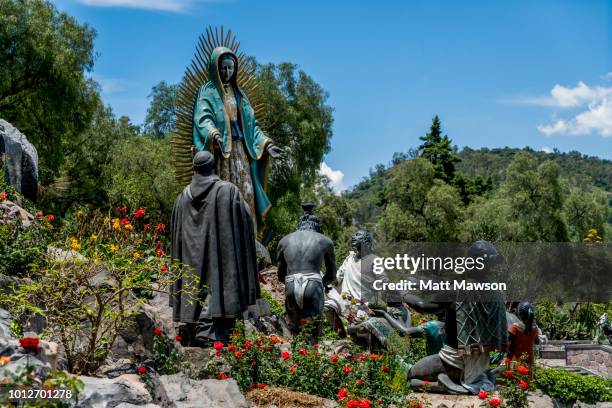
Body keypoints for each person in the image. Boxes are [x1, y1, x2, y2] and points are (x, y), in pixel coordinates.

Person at [169, 151, 260, 345]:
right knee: (217, 281)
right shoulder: (227, 191)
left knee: (196, 279)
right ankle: (212, 331)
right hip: (220, 258)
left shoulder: (181, 199)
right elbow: (246, 220)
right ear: (213, 167)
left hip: (191, 259)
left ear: (195, 168)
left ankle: (195, 326)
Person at [192, 47, 284, 232]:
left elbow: (252, 127)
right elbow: (202, 118)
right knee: (224, 196)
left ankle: (247, 237)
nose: (227, 72)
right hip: (221, 154)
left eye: (230, 68)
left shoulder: (240, 95)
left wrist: (267, 145)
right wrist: (213, 134)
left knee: (247, 192)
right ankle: (225, 235)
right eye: (223, 68)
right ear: (215, 67)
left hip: (241, 151)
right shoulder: (207, 91)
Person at [404, 241, 508, 395]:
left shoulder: (457, 290)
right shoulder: (497, 293)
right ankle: (473, 378)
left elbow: (423, 306)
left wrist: (403, 294)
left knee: (411, 376)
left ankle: (452, 385)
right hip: (481, 362)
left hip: (454, 362)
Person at [276, 204, 336, 341]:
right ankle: (312, 356)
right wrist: (322, 283)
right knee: (313, 328)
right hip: (313, 283)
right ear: (316, 225)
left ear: (300, 224)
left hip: (291, 283)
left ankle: (295, 357)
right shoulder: (325, 241)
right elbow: (332, 274)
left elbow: (280, 275)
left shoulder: (284, 241)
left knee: (294, 327)